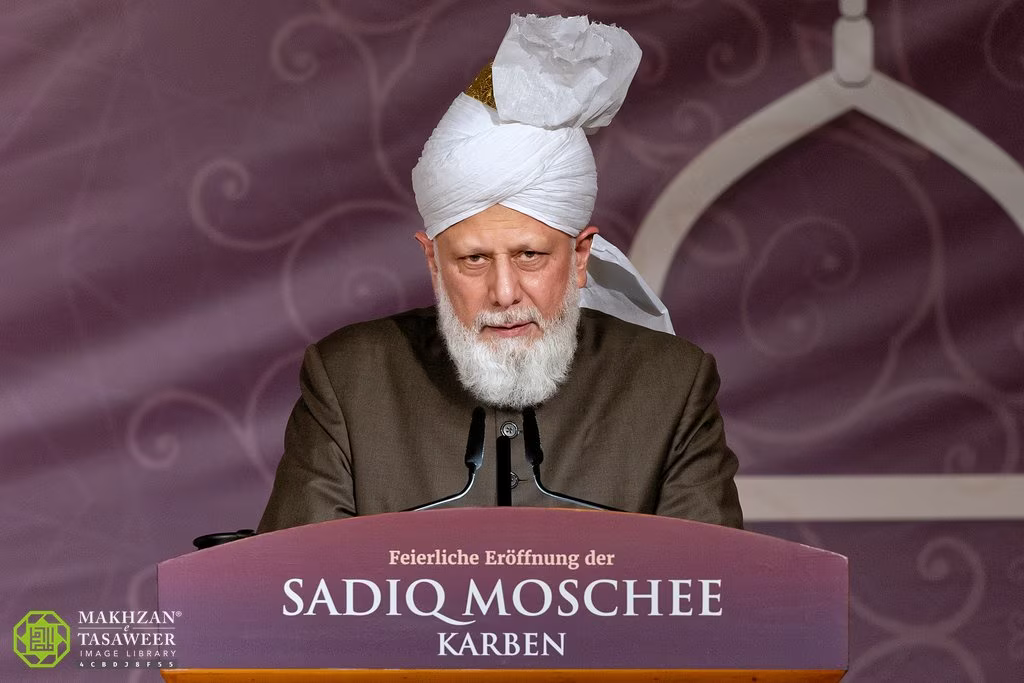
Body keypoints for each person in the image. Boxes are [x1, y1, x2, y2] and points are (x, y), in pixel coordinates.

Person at [257, 14, 742, 532]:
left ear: (580, 258)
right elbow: (294, 576)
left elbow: (712, 578)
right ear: (433, 263)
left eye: (530, 255)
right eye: (474, 260)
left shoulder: (671, 386)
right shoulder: (350, 379)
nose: (505, 293)